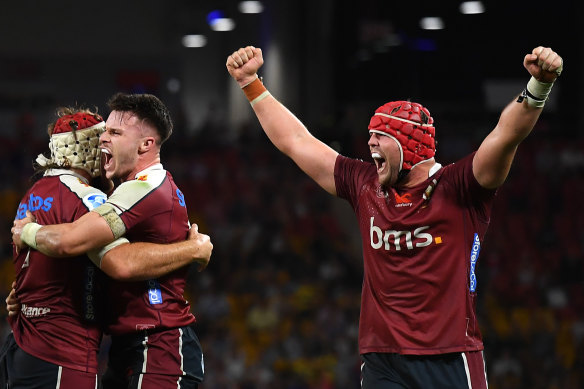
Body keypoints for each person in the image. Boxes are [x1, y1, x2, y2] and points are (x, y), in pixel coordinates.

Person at [226, 45, 562, 388]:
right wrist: (251, 83)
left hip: (447, 356)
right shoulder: (364, 185)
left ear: (411, 145)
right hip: (382, 358)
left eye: (380, 136)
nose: (369, 143)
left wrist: (539, 86)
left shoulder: (461, 187)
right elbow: (296, 141)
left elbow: (507, 135)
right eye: (370, 134)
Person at [3, 107, 212, 389]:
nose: (105, 143)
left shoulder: (33, 193)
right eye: (104, 135)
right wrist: (194, 250)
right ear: (88, 149)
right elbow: (116, 260)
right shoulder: (88, 197)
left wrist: (25, 292)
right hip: (65, 352)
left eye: (114, 134)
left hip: (28, 345)